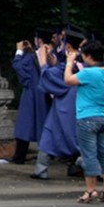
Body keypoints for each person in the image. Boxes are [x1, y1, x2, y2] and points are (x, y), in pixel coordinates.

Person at [65, 39, 104, 203]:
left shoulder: (88, 73)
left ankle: (90, 190)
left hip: (86, 118)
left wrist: (69, 63)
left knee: (89, 155)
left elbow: (68, 80)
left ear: (88, 56)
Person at [32, 29, 87, 181]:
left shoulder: (71, 64)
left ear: (68, 46)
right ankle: (84, 163)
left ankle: (42, 169)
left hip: (65, 104)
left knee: (51, 134)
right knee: (81, 137)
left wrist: (43, 61)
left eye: (63, 42)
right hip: (81, 103)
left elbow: (51, 76)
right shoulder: (84, 61)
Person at [10, 29, 54, 165]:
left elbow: (18, 67)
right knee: (45, 125)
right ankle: (47, 157)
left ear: (38, 40)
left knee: (25, 125)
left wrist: (19, 52)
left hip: (32, 93)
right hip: (46, 93)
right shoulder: (50, 56)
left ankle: (19, 157)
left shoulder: (30, 57)